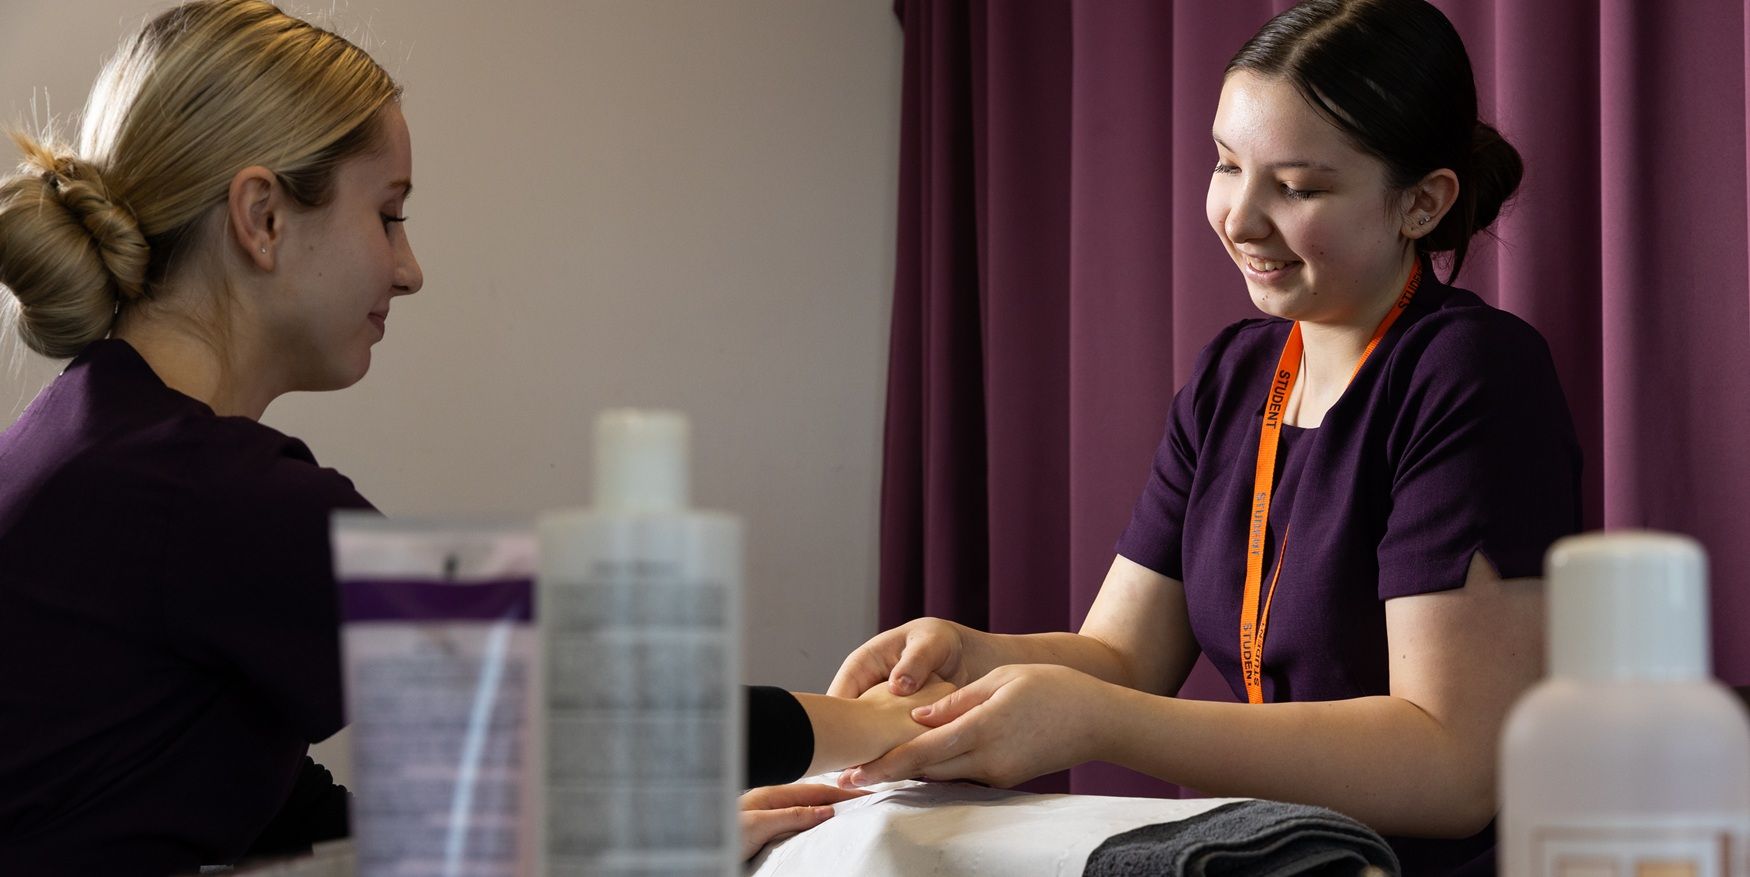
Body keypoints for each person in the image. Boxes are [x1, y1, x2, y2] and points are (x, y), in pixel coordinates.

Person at [827, 1, 1581, 874]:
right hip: (1263, 851)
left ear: (1422, 202)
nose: (1240, 219)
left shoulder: (1472, 369)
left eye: (1297, 188)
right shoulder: (1236, 373)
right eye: (1227, 166)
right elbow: (1121, 655)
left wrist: (1098, 719)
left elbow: (1454, 766)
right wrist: (974, 652)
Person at [0, 1, 417, 870]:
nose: (409, 270)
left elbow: (272, 810)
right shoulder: (214, 499)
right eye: (388, 214)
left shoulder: (81, 432)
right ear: (261, 216)